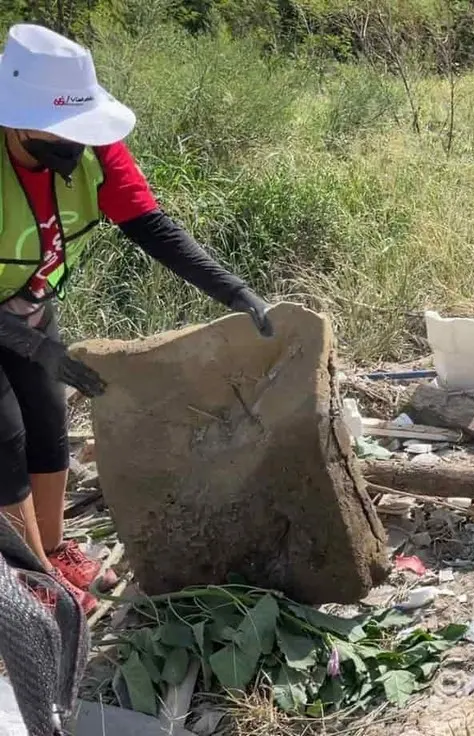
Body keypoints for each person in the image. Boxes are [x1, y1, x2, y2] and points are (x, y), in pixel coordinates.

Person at [0, 23, 274, 615]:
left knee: (48, 423)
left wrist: (234, 291)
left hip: (30, 303)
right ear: (18, 119)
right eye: (61, 129)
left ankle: (51, 547)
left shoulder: (94, 148)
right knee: (5, 440)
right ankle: (30, 583)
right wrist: (27, 342)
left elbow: (150, 226)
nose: (75, 142)